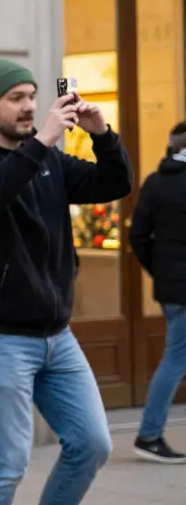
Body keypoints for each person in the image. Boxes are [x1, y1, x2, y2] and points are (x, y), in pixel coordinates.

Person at [0, 59, 132, 504]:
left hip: (56, 335)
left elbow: (115, 182)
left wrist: (101, 133)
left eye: (31, 96)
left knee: (92, 445)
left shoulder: (50, 161)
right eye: (16, 98)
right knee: (8, 460)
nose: (29, 106)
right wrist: (44, 139)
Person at [128, 122, 186, 464]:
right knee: (176, 358)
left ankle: (150, 433)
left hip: (171, 288)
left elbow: (138, 236)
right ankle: (149, 434)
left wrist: (160, 271)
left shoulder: (156, 182)